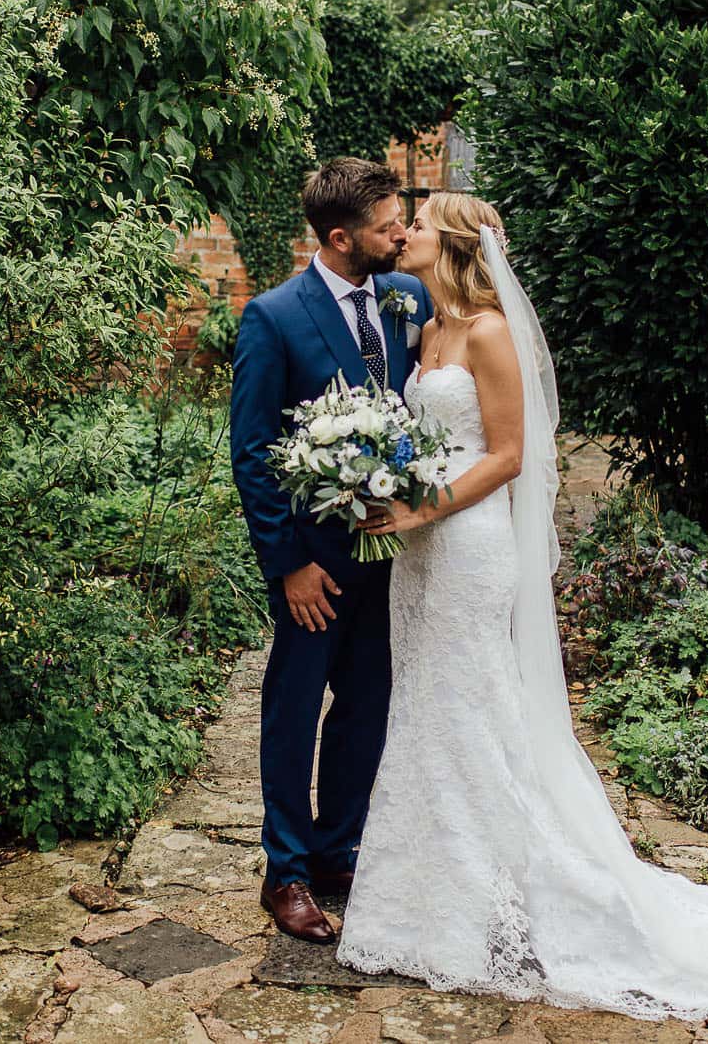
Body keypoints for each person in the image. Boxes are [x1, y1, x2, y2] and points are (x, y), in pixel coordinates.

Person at [335, 191, 708, 1019]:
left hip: (470, 541)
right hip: (421, 553)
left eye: (417, 223)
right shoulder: (425, 327)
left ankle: (502, 897)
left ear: (447, 242)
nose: (402, 233)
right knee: (430, 711)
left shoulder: (485, 330)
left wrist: (421, 506)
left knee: (472, 709)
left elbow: (511, 455)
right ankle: (430, 897)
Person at [227, 157, 433, 943]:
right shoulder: (274, 318)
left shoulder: (406, 299)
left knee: (367, 707)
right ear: (342, 238)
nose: (401, 235)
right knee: (293, 710)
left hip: (392, 558)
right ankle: (285, 871)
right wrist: (288, 564)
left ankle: (337, 847)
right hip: (314, 563)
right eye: (388, 227)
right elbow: (252, 451)